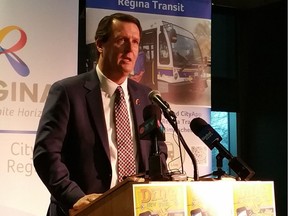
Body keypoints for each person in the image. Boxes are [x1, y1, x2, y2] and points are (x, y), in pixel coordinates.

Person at [33, 13, 168, 216]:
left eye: (135, 42)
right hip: (84, 210)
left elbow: (159, 150)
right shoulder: (68, 92)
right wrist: (75, 197)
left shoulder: (147, 97)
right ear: (100, 45)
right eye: (121, 40)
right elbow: (46, 154)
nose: (130, 49)